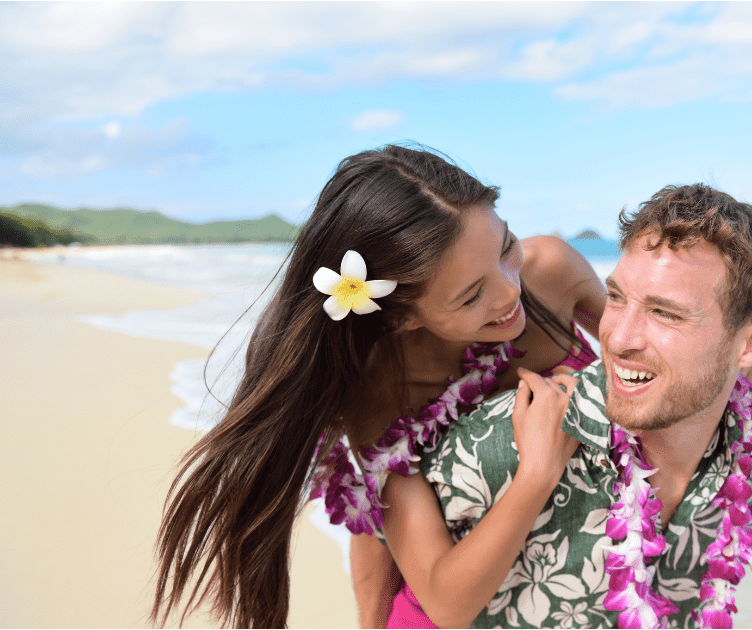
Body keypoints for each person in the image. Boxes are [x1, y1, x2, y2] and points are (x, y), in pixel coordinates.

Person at [151, 144, 611, 628]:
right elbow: (444, 600)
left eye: (505, 247)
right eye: (472, 295)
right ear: (404, 317)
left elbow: (655, 366)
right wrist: (537, 471)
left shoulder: (552, 273)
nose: (508, 291)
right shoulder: (382, 395)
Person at [424, 183, 752, 628]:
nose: (618, 339)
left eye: (666, 313)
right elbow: (403, 563)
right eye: (618, 297)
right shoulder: (498, 445)